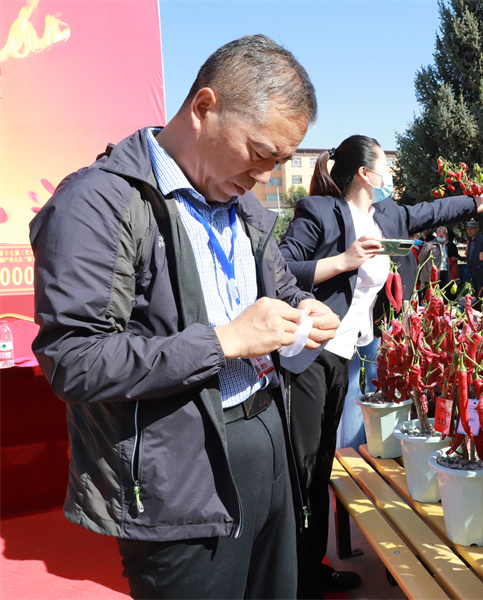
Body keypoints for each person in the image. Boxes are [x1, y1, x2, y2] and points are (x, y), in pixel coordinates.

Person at [28, 35, 340, 600]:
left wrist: (303, 310)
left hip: (268, 445)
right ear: (203, 109)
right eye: (260, 153)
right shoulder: (98, 203)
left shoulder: (243, 206)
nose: (266, 176)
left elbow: (282, 286)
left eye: (279, 162)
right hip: (181, 479)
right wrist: (224, 342)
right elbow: (73, 360)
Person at [278, 134, 483, 597]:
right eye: (385, 169)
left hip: (348, 354)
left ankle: (312, 568)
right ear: (364, 173)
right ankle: (288, 576)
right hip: (311, 355)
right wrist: (344, 260)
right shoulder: (319, 212)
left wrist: (482, 200)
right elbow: (280, 268)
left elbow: (432, 212)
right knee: (301, 468)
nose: (389, 179)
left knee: (321, 464)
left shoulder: (388, 215)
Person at [417, 225, 460, 292]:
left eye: (444, 233)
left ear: (446, 235)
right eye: (440, 232)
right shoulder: (429, 245)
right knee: (430, 296)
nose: (442, 235)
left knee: (441, 296)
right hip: (431, 276)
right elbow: (421, 259)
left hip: (444, 274)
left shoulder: (446, 246)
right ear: (437, 234)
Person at [465, 219, 483, 296]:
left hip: (481, 272)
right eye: (468, 229)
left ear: (477, 229)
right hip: (473, 272)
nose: (469, 231)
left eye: (471, 229)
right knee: (476, 293)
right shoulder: (470, 240)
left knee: (481, 293)